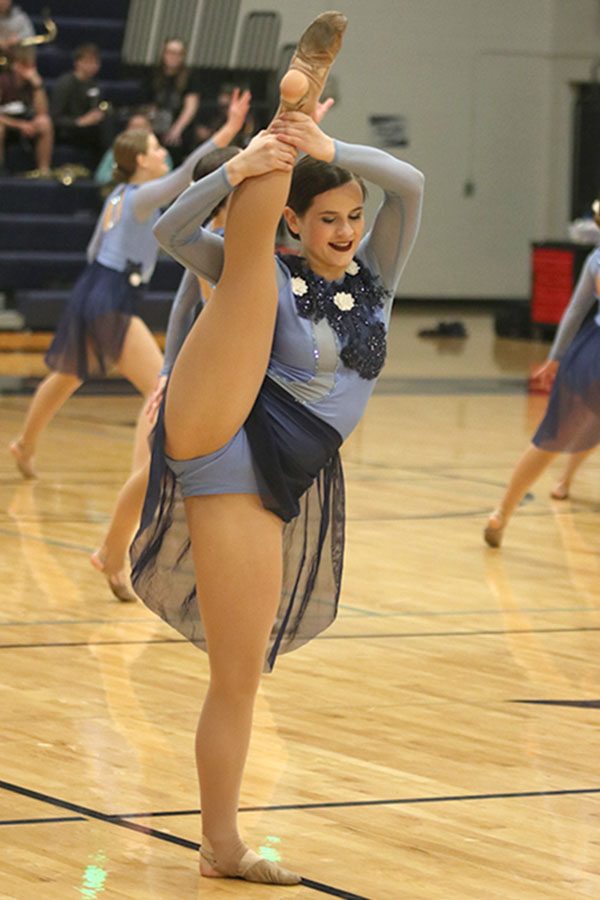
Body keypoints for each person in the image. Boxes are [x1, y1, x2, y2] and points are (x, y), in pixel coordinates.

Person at [129, 11, 424, 884]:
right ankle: (281, 117)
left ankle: (221, 845)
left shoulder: (376, 281)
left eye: (351, 219)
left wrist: (326, 143)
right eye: (327, 218)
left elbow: (408, 180)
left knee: (239, 674)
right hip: (221, 421)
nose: (344, 231)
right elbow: (172, 235)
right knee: (249, 273)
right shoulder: (272, 256)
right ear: (301, 222)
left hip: (275, 474)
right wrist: (249, 165)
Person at [9, 89, 251, 482]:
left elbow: (93, 250)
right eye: (156, 149)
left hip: (93, 287)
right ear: (140, 160)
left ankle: (26, 443)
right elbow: (188, 171)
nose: (161, 154)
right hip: (112, 295)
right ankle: (142, 477)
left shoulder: (117, 197)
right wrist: (228, 130)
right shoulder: (140, 196)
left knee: (66, 377)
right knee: (160, 388)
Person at [91, 144, 240, 602]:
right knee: (162, 468)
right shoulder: (211, 235)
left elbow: (184, 308)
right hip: (206, 372)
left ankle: (128, 553)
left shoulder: (239, 232)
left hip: (228, 372)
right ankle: (113, 550)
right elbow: (191, 308)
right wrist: (169, 372)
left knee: (186, 471)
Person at [484, 237, 600, 547]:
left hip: (588, 351)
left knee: (550, 439)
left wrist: (555, 357)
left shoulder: (596, 257)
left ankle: (502, 512)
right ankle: (561, 482)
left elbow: (575, 312)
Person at [50, 43, 115, 165]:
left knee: (108, 119)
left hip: (89, 130)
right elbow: (54, 118)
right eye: (88, 62)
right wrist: (79, 122)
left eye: (96, 62)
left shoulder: (95, 85)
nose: (93, 66)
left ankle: (109, 161)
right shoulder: (65, 84)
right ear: (77, 63)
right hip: (68, 130)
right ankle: (109, 164)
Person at [139, 38, 200, 164]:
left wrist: (177, 129)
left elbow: (191, 106)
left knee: (175, 143)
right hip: (156, 121)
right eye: (171, 52)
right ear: (164, 53)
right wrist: (149, 126)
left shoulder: (189, 77)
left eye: (178, 53)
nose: (174, 57)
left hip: (179, 124)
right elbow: (148, 105)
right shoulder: (153, 74)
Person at [0, 46, 52, 174]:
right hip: (6, 122)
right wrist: (20, 125)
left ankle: (43, 170)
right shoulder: (3, 80)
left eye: (32, 66)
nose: (31, 71)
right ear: (16, 65)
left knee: (45, 123)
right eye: (27, 66)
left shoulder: (32, 83)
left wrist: (37, 86)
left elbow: (42, 112)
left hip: (25, 121)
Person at [93, 112, 174, 187]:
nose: (137, 131)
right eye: (133, 126)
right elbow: (101, 177)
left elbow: (168, 180)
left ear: (150, 129)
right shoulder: (115, 151)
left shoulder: (162, 154)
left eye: (141, 127)